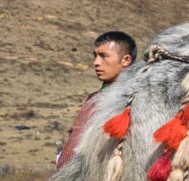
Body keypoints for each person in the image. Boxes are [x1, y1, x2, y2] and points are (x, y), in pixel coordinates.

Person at [58, 30, 137, 168]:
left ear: (126, 60)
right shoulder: (92, 99)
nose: (96, 62)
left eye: (103, 56)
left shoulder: (137, 99)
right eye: (95, 56)